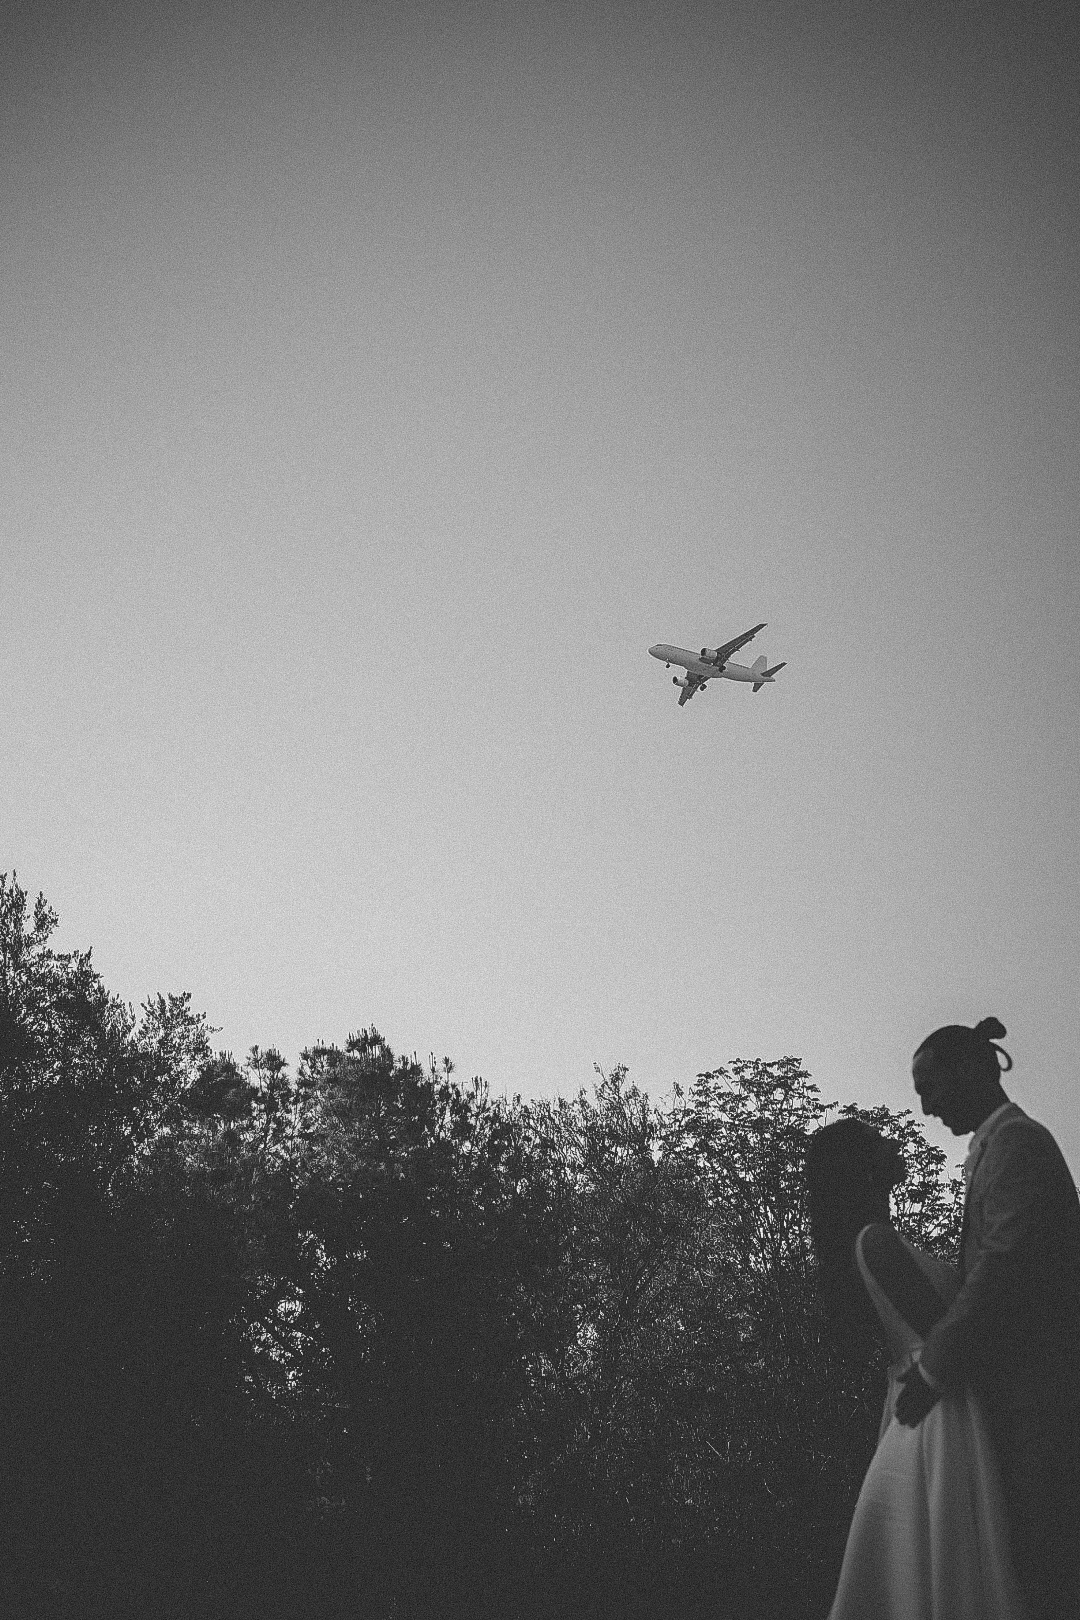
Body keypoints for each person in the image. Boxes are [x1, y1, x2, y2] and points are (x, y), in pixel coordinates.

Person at [806, 1115, 1027, 1620]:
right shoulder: (875, 1241)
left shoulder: (882, 1237)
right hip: (939, 1409)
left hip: (936, 1397)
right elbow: (942, 1327)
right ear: (862, 1168)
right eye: (875, 1140)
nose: (891, 1142)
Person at [897, 1017, 1080, 1620]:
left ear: (971, 1070)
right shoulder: (1000, 1147)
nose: (926, 1107)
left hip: (1041, 1400)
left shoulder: (1017, 1145)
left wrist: (934, 1369)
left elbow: (1005, 1268)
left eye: (929, 1087)